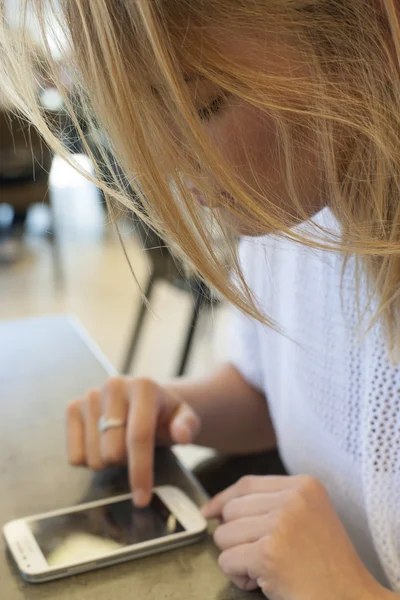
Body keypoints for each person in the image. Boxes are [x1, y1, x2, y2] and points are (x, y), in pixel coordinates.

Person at [1, 1, 399, 598]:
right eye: (139, 114)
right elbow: (269, 389)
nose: (165, 160)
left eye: (203, 104)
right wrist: (175, 407)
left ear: (368, 31)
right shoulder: (286, 215)